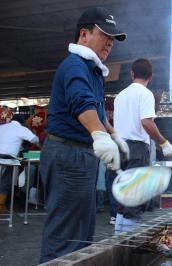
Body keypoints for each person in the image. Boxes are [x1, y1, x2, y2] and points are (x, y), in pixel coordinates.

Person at [39, 7, 129, 262]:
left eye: (113, 38)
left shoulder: (93, 69)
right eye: (105, 35)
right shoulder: (75, 65)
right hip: (68, 154)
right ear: (84, 34)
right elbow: (81, 101)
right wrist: (99, 135)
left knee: (82, 231)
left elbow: (96, 108)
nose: (110, 42)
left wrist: (112, 134)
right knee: (65, 234)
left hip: (81, 156)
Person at [111, 58, 172, 233]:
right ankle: (128, 244)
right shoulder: (145, 93)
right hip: (136, 149)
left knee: (123, 196)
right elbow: (146, 122)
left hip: (119, 148)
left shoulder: (120, 96)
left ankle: (118, 239)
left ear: (132, 74)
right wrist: (163, 142)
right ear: (151, 76)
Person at [0, 106, 39, 212]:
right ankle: (1, 204)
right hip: (8, 159)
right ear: (21, 122)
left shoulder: (2, 126)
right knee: (5, 180)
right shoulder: (21, 128)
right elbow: (35, 139)